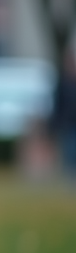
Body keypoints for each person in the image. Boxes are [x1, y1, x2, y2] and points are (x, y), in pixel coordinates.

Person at [51, 51, 76, 181]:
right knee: (69, 151)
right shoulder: (63, 83)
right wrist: (55, 123)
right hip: (68, 124)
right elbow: (58, 105)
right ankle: (70, 177)